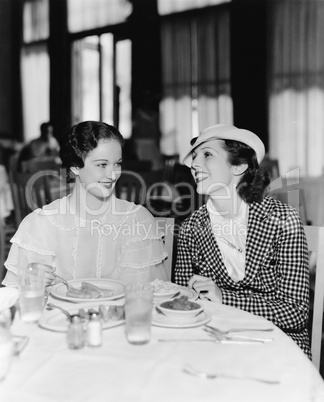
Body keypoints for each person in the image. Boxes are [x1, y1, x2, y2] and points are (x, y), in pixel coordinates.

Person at [174, 123, 311, 358]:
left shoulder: (282, 219)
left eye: (207, 155)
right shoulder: (190, 227)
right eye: (195, 157)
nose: (195, 164)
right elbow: (183, 302)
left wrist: (223, 298)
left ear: (239, 166)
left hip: (277, 344)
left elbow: (296, 312)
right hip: (214, 341)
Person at [2, 121, 168, 287]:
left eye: (117, 163)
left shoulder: (137, 220)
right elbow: (17, 301)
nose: (113, 174)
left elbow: (144, 296)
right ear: (75, 167)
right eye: (102, 165)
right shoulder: (40, 224)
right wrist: (31, 279)